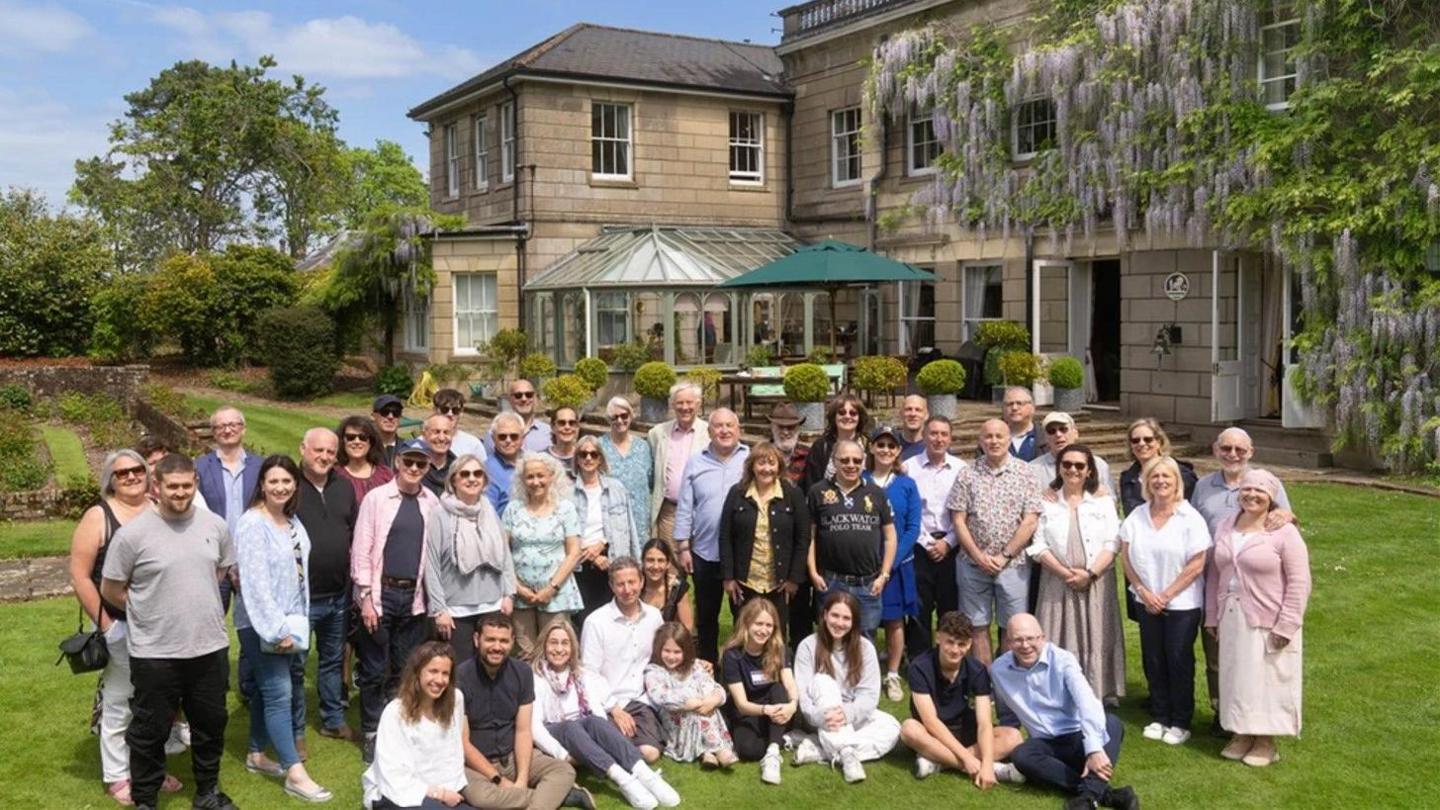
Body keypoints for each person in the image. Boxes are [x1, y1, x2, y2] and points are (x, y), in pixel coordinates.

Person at [100, 453, 236, 810]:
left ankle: (207, 793)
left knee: (210, 725)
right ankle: (146, 799)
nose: (180, 493)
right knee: (150, 731)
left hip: (208, 647)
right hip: (155, 652)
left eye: (186, 485)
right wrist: (150, 606)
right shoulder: (133, 536)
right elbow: (111, 588)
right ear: (156, 487)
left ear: (195, 484)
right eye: (172, 486)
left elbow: (217, 574)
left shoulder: (215, 526)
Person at [69, 450, 184, 805]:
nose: (132, 476)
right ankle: (118, 774)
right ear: (111, 480)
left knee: (156, 700)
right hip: (118, 621)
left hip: (162, 623)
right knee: (121, 699)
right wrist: (106, 626)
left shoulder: (158, 509)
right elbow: (80, 575)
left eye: (138, 470)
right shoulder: (98, 516)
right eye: (122, 474)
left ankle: (149, 768)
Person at [234, 454, 333, 802]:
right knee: (279, 693)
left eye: (286, 481)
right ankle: (294, 771)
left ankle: (257, 754)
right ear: (262, 483)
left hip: (291, 624)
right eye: (273, 481)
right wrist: (277, 629)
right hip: (262, 625)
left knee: (266, 692)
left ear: (295, 485)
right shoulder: (252, 524)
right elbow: (256, 585)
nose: (280, 487)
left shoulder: (291, 522)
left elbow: (297, 577)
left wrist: (297, 625)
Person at [1190, 427, 1297, 735]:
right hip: (1215, 581)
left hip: (1258, 586)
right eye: (1226, 448)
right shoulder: (1203, 487)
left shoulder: (1264, 484)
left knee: (1254, 656)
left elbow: (1285, 520)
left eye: (1239, 449)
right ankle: (1221, 712)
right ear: (1215, 450)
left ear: (1251, 452)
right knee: (1217, 654)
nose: (1232, 454)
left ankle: (1255, 720)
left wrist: (1290, 517)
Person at [1204, 469, 1311, 767]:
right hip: (1231, 615)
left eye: (1260, 491)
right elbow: (1215, 573)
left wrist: (1287, 624)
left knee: (1267, 678)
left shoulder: (1283, 531)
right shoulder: (1227, 524)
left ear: (1271, 497)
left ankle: (1266, 740)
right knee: (1237, 677)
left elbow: (1300, 581)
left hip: (1268, 617)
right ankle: (1242, 733)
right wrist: (1212, 616)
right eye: (1247, 489)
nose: (1252, 495)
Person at [989, 614, 1139, 810]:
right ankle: (1106, 796)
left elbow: (1087, 701)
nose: (1025, 645)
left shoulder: (1062, 660)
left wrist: (1093, 749)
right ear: (1008, 642)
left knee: (1112, 724)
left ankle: (1087, 800)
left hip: (1079, 738)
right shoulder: (999, 670)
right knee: (1022, 755)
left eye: (1030, 638)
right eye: (1017, 639)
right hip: (1046, 745)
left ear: (1042, 638)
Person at [353, 439, 443, 762]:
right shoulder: (377, 499)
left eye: (422, 464)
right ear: (399, 463)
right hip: (381, 594)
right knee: (375, 669)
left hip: (414, 597)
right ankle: (372, 731)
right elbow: (362, 549)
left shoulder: (432, 502)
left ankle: (398, 731)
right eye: (410, 463)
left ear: (428, 467)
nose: (415, 469)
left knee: (405, 669)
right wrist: (366, 598)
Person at [530, 618, 680, 809]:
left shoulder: (580, 673)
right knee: (572, 726)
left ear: (573, 647)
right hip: (557, 733)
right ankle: (623, 780)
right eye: (553, 643)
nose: (559, 649)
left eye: (565, 643)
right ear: (544, 645)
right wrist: (563, 755)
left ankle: (644, 774)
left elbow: (600, 707)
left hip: (584, 733)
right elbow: (534, 726)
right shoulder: (535, 678)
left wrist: (604, 733)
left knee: (595, 720)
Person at [1120, 456, 1211, 746]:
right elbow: (1126, 557)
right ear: (1147, 483)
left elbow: (1197, 564)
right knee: (1154, 660)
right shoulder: (1137, 516)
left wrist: (1166, 595)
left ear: (1177, 482)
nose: (1160, 481)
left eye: (1166, 477)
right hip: (1146, 601)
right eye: (1154, 477)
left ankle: (1180, 720)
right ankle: (1159, 715)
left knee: (1178, 659)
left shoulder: (1190, 518)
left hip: (1181, 604)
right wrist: (1143, 592)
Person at [454, 614, 581, 810]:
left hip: (512, 756)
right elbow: (464, 743)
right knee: (482, 798)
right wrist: (497, 779)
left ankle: (531, 801)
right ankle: (555, 797)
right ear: (477, 640)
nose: (497, 647)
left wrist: (521, 779)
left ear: (512, 642)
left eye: (504, 641)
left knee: (564, 770)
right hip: (475, 765)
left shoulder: (522, 672)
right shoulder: (461, 676)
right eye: (490, 640)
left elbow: (523, 731)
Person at [1029, 445, 1125, 704]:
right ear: (1059, 468)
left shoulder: (1103, 501)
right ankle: (1057, 688)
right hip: (1056, 580)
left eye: (1079, 465)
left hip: (1096, 580)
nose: (1073, 470)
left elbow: (1113, 542)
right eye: (1067, 464)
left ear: (1089, 470)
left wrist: (1090, 574)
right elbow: (1037, 544)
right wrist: (1064, 572)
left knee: (1097, 634)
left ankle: (1100, 689)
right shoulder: (1046, 502)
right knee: (1058, 633)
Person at [946, 418, 1042, 664]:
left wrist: (1004, 555)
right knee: (977, 625)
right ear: (980, 441)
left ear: (1009, 439)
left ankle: (1008, 682)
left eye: (999, 436)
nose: (994, 441)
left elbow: (1030, 520)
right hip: (972, 564)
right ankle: (984, 682)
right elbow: (958, 520)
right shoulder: (967, 474)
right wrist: (979, 556)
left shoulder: (1026, 473)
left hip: (1013, 564)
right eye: (988, 436)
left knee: (1013, 627)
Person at [900, 611, 1023, 785]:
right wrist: (967, 759)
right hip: (932, 733)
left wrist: (986, 764)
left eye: (962, 644)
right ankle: (989, 768)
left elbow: (984, 723)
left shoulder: (977, 669)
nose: (955, 650)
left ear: (970, 644)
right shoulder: (919, 667)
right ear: (938, 638)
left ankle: (938, 763)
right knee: (908, 729)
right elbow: (930, 721)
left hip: (964, 728)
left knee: (1013, 736)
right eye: (949, 642)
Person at [790, 591, 901, 783]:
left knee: (893, 728)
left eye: (846, 618)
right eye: (835, 615)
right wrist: (822, 717)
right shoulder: (808, 646)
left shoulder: (865, 648)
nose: (839, 623)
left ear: (854, 622)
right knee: (823, 681)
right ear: (824, 615)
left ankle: (822, 751)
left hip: (850, 714)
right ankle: (848, 756)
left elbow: (869, 696)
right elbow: (805, 698)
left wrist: (846, 714)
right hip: (821, 717)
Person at [296, 428, 361, 743]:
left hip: (337, 594)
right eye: (317, 450)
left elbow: (352, 533)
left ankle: (332, 719)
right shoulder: (288, 485)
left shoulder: (344, 488)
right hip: (301, 597)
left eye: (330, 452)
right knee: (294, 666)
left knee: (333, 660)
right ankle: (295, 730)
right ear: (303, 449)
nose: (324, 457)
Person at [673, 407, 749, 663]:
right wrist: (683, 546)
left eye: (730, 425)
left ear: (738, 429)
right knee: (707, 617)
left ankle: (739, 669)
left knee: (743, 616)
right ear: (709, 431)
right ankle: (708, 667)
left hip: (742, 556)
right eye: (718, 426)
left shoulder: (749, 459)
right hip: (705, 552)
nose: (724, 431)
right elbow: (685, 505)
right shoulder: (696, 461)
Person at [795, 393, 870, 645]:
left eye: (853, 412)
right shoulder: (822, 447)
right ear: (833, 417)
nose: (847, 416)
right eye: (842, 412)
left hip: (864, 529)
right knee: (826, 600)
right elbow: (811, 489)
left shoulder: (870, 444)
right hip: (827, 529)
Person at [361, 642, 474, 809]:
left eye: (445, 674)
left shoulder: (455, 700)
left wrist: (448, 791)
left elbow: (453, 752)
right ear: (417, 673)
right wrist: (439, 794)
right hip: (399, 793)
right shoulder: (395, 712)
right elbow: (394, 774)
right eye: (433, 671)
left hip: (445, 789)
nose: (439, 680)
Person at [426, 455, 515, 666]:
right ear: (453, 480)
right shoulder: (440, 514)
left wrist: (508, 594)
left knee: (492, 668)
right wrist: (440, 610)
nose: (472, 479)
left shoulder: (490, 511)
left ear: (484, 481)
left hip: (492, 604)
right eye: (464, 474)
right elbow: (431, 565)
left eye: (477, 474)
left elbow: (505, 557)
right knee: (460, 670)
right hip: (456, 611)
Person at [579, 557, 668, 764]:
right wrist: (615, 710)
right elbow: (589, 675)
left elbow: (664, 656)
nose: (627, 589)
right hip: (607, 703)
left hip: (640, 701)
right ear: (611, 586)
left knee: (650, 753)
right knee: (619, 744)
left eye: (632, 582)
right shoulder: (596, 622)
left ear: (641, 582)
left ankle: (612, 753)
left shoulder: (654, 617)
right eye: (620, 584)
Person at [806, 439, 897, 639]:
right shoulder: (817, 492)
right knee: (830, 639)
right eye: (844, 460)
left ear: (864, 461)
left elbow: (890, 537)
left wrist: (884, 575)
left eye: (856, 460)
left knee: (865, 640)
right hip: (831, 581)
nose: (851, 465)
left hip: (867, 583)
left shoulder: (876, 493)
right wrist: (813, 572)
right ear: (834, 461)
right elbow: (810, 536)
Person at [718, 442, 809, 636]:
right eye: (761, 463)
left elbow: (803, 539)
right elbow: (725, 536)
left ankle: (778, 667)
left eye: (771, 463)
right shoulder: (737, 493)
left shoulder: (792, 494)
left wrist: (794, 578)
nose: (766, 468)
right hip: (745, 581)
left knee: (776, 633)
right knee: (744, 631)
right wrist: (728, 577)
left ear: (779, 467)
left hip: (779, 582)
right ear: (752, 466)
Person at [504, 453, 584, 654]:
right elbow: (501, 552)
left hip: (556, 594)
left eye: (540, 476)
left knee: (555, 651)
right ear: (523, 480)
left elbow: (574, 552)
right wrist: (516, 586)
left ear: (551, 476)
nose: (535, 482)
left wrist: (552, 587)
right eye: (530, 477)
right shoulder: (513, 509)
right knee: (525, 652)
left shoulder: (565, 509)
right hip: (522, 594)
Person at [865, 425, 921, 702]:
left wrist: (892, 562)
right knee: (864, 622)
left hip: (897, 566)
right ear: (872, 448)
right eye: (880, 444)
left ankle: (893, 673)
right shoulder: (861, 479)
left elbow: (912, 527)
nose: (885, 450)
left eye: (891, 446)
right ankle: (865, 673)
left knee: (894, 621)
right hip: (863, 565)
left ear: (898, 451)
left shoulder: (906, 484)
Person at [906, 415, 966, 659]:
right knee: (919, 608)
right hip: (919, 546)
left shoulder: (962, 469)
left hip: (952, 547)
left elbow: (966, 513)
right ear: (924, 435)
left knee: (949, 608)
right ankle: (919, 661)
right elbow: (909, 511)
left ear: (950, 438)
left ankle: (947, 658)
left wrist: (947, 542)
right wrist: (928, 542)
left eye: (944, 434)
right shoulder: (909, 467)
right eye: (933, 433)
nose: (938, 439)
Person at [719, 599, 798, 784]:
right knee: (748, 751)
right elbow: (741, 704)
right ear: (746, 623)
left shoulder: (779, 649)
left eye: (769, 625)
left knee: (778, 688)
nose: (764, 630)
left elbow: (790, 684)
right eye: (759, 624)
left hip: (776, 705)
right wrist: (765, 711)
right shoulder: (732, 655)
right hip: (750, 710)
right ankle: (782, 739)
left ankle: (772, 753)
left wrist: (793, 705)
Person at [196, 405, 260, 623]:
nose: (227, 430)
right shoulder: (200, 468)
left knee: (253, 626)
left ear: (243, 429)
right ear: (214, 432)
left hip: (252, 559)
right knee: (210, 623)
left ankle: (248, 659)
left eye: (233, 424)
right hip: (215, 559)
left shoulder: (261, 467)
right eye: (221, 426)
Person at [643, 622, 738, 767]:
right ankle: (718, 749)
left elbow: (713, 687)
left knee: (707, 706)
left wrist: (713, 699)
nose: (671, 656)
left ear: (685, 651)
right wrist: (686, 702)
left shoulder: (695, 666)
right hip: (675, 722)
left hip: (702, 709)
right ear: (658, 649)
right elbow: (660, 696)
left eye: (677, 652)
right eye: (667, 651)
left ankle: (707, 752)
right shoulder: (654, 671)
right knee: (693, 712)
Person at [572, 435, 641, 630]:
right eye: (583, 454)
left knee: (615, 619)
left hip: (612, 561)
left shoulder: (617, 488)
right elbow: (566, 534)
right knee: (584, 621)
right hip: (581, 563)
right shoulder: (567, 493)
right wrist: (591, 555)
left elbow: (630, 529)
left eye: (593, 454)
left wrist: (636, 564)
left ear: (600, 458)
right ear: (576, 459)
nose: (588, 458)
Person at [647, 381, 707, 548]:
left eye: (689, 402)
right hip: (670, 513)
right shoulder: (657, 433)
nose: (685, 407)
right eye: (680, 402)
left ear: (698, 403)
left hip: (701, 511)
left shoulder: (709, 433)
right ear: (672, 405)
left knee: (702, 563)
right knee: (671, 568)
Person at [1118, 418, 1197, 517]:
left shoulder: (1182, 474)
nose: (1141, 444)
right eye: (1135, 440)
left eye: (1148, 439)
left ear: (1159, 442)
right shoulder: (1127, 479)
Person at [599, 396, 653, 540]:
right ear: (608, 419)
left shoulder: (643, 446)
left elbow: (650, 482)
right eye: (614, 417)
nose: (619, 421)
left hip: (640, 521)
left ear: (631, 416)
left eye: (624, 416)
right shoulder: (599, 447)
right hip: (612, 522)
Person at [1030, 412, 1114, 496]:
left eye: (1063, 429)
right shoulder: (1034, 469)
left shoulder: (1098, 465)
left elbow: (1112, 499)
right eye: (1051, 431)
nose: (1058, 434)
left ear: (1075, 433)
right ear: (1045, 438)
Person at [337, 416, 395, 504]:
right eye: (350, 437)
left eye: (363, 437)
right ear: (342, 441)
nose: (357, 442)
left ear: (371, 441)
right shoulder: (334, 475)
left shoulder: (386, 475)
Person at [486, 380, 553, 455]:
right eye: (518, 395)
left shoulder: (548, 432)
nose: (524, 399)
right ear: (510, 400)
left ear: (535, 399)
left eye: (529, 395)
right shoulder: (495, 433)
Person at [639, 539, 692, 628]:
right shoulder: (634, 587)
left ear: (668, 563)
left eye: (661, 560)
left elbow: (687, 626)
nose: (656, 566)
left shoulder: (677, 587)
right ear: (643, 562)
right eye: (650, 560)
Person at [485, 412, 525, 518]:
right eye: (502, 436)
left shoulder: (532, 463)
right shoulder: (486, 471)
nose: (508, 440)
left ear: (522, 438)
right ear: (493, 438)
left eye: (514, 436)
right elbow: (487, 514)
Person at [434, 388, 486, 461]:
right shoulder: (421, 444)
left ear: (461, 412)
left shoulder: (474, 445)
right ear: (435, 410)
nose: (450, 414)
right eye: (444, 409)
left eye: (455, 410)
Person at [766, 402, 808, 485]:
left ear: (798, 429)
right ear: (772, 427)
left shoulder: (808, 456)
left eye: (791, 427)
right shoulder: (760, 455)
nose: (785, 432)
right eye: (780, 427)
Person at [1000, 387, 1044, 462]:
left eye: (1019, 403)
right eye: (1010, 404)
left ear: (1033, 407)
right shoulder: (991, 438)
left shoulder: (1047, 438)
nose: (1014, 408)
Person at [421, 416, 457, 496]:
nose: (441, 438)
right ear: (424, 435)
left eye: (446, 432)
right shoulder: (415, 467)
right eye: (436, 432)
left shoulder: (459, 469)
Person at [546, 407, 581, 477]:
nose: (567, 427)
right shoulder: (541, 458)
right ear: (553, 427)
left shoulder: (585, 457)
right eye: (561, 423)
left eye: (572, 423)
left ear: (577, 427)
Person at [372, 395, 405, 468]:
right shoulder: (365, 447)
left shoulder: (407, 448)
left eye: (396, 412)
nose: (390, 417)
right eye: (385, 412)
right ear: (374, 416)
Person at [896, 395, 929, 461]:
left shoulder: (933, 446)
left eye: (918, 410)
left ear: (926, 415)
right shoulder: (891, 444)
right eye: (908, 409)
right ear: (900, 414)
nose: (913, 414)